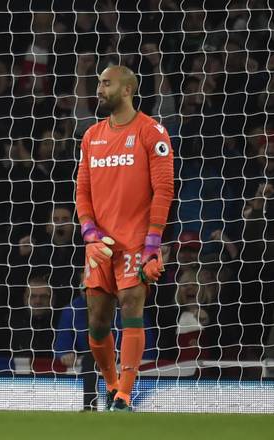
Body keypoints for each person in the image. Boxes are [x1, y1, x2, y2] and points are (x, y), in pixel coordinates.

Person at [76, 65, 174, 411]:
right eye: (99, 83)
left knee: (132, 306)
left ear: (127, 89)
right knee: (97, 321)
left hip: (135, 241)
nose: (99, 90)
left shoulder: (152, 132)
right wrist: (89, 232)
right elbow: (82, 190)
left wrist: (152, 244)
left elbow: (164, 189)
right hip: (99, 245)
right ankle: (112, 384)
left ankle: (124, 395)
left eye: (106, 83)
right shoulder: (91, 136)